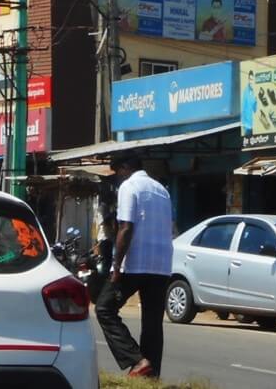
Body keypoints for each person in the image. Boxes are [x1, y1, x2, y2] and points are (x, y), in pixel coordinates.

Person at [95, 154, 173, 380]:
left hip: (136, 262)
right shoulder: (162, 190)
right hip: (161, 264)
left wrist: (116, 265)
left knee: (104, 309)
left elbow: (126, 227)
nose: (117, 179)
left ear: (125, 168)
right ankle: (151, 376)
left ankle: (137, 360)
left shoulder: (130, 187)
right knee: (152, 322)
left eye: (117, 172)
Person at [241, 71, 258, 138]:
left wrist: (256, 101)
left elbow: (254, 109)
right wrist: (243, 125)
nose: (251, 81)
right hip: (247, 125)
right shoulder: (245, 92)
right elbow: (243, 108)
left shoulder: (254, 91)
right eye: (250, 79)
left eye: (252, 79)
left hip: (253, 125)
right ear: (248, 80)